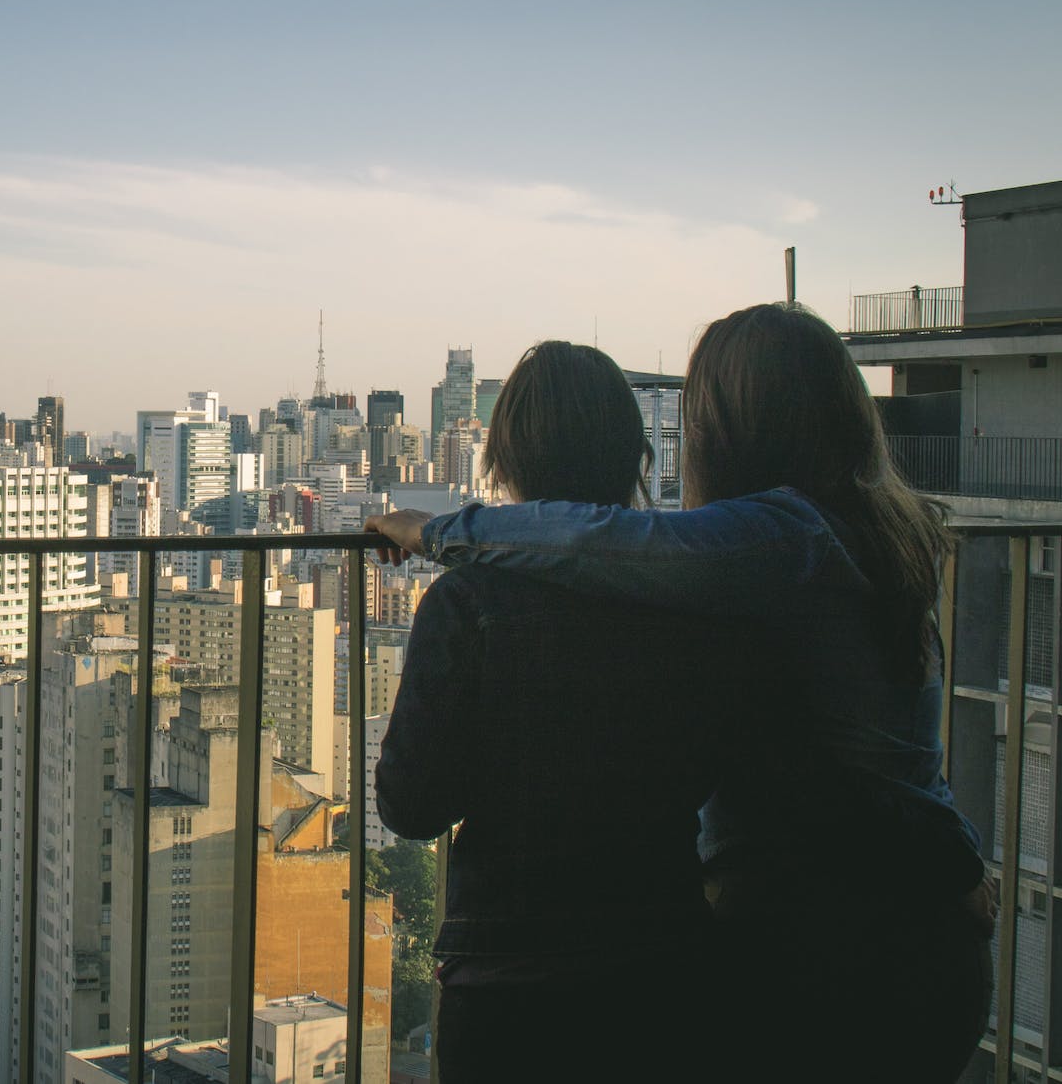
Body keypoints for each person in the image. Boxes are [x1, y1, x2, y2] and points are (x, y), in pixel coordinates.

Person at [368, 303, 992, 1083]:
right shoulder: (867, 532)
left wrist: (436, 533)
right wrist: (959, 860)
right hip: (905, 933)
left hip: (824, 944)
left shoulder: (782, 539)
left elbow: (606, 541)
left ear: (732, 428)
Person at [374, 340, 760, 1083]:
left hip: (509, 985)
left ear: (507, 459)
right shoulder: (694, 601)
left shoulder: (468, 602)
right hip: (665, 970)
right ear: (633, 457)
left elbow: (410, 803)